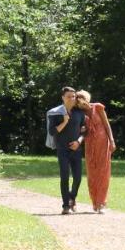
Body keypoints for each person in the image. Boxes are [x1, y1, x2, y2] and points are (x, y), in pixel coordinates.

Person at [47, 86, 87, 214]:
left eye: (73, 96)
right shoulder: (56, 113)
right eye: (69, 96)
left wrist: (78, 142)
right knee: (64, 177)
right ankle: (65, 206)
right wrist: (64, 121)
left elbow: (85, 132)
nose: (71, 99)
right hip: (62, 150)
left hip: (76, 150)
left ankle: (72, 198)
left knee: (78, 178)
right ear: (63, 98)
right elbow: (52, 132)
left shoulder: (79, 113)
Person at [74, 90, 115, 213]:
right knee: (92, 174)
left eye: (82, 101)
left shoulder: (97, 107)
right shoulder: (78, 113)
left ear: (86, 99)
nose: (81, 104)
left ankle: (101, 203)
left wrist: (112, 141)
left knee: (103, 173)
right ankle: (95, 203)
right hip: (90, 144)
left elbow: (107, 125)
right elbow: (79, 130)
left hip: (103, 143)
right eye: (78, 103)